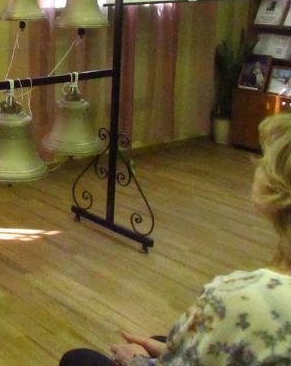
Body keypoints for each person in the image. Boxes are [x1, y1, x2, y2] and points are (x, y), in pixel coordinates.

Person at [59, 113, 291, 365]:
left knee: (77, 359)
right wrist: (165, 350)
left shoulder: (236, 299)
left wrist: (135, 361)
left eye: (262, 161)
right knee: (160, 339)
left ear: (273, 191)